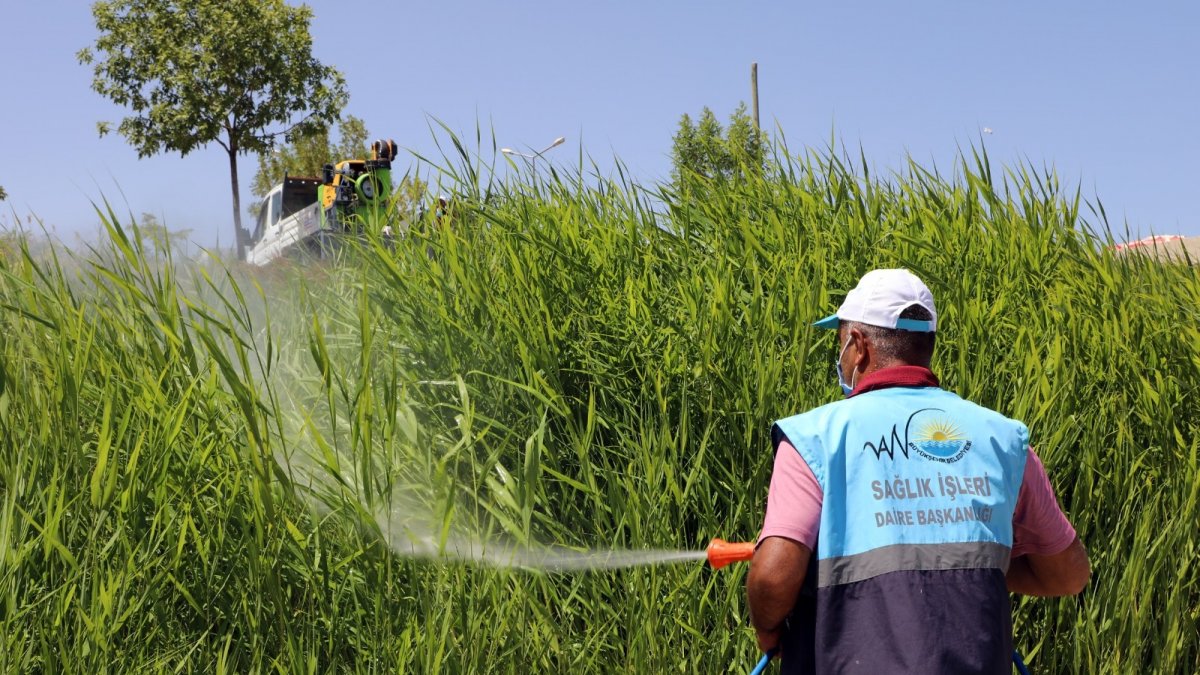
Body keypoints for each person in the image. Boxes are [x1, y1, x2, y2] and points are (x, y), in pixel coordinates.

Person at [746, 268, 1090, 674]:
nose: (841, 357)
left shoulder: (815, 437)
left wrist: (768, 628)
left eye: (840, 344)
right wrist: (981, 558)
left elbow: (773, 575)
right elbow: (1069, 575)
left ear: (859, 345)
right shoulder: (1002, 440)